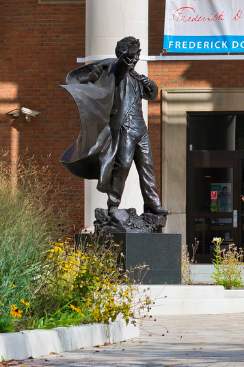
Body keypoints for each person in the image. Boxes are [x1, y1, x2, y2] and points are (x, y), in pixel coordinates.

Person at [60, 36, 170, 226]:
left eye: (138, 55)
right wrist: (128, 57)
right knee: (123, 165)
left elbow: (151, 95)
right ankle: (113, 205)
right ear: (124, 55)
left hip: (140, 128)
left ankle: (153, 204)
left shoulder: (136, 77)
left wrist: (149, 83)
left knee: (147, 167)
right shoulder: (115, 73)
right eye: (134, 55)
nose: (136, 59)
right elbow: (121, 68)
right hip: (124, 126)